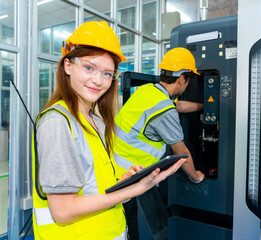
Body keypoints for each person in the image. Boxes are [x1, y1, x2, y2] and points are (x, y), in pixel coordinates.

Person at [32, 21, 185, 240]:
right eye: (89, 68)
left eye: (107, 74)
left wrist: (124, 180)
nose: (98, 80)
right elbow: (63, 211)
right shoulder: (58, 122)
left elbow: (96, 187)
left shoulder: (97, 121)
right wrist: (135, 189)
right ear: (67, 66)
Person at [113, 47, 205, 239]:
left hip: (113, 167)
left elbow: (177, 105)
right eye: (188, 80)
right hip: (129, 175)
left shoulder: (148, 91)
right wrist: (196, 176)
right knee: (134, 226)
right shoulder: (163, 110)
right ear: (182, 79)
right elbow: (181, 151)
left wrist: (205, 107)